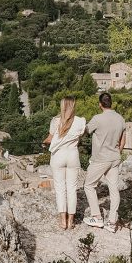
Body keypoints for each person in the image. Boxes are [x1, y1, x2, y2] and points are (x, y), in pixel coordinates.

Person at [83, 92, 126, 233]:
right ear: (111, 103)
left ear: (100, 104)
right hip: (115, 157)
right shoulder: (120, 118)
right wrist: (117, 152)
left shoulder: (97, 118)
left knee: (89, 185)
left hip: (101, 158)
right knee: (113, 189)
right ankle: (112, 222)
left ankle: (97, 217)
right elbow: (122, 140)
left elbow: (85, 131)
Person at [43, 96, 86, 231]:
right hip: (73, 155)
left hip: (58, 156)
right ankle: (71, 221)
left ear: (62, 106)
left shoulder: (55, 121)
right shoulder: (80, 121)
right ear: (73, 106)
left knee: (60, 189)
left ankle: (62, 220)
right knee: (72, 189)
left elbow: (49, 139)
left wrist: (44, 143)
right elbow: (80, 137)